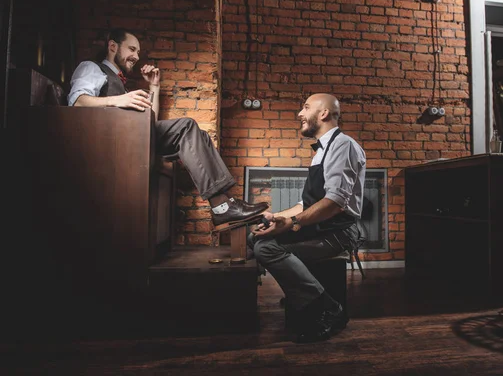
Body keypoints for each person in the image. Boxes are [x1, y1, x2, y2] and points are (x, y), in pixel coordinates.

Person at [67, 28, 267, 230]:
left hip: (132, 136)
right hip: (113, 142)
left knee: (202, 136)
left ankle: (225, 203)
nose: (136, 56)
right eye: (132, 49)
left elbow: (150, 119)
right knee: (187, 126)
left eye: (137, 52)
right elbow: (77, 102)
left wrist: (154, 86)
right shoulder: (90, 68)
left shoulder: (119, 80)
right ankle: (221, 207)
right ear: (112, 46)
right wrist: (120, 99)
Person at [250, 93, 366, 343]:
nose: (300, 114)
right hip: (323, 226)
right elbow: (308, 204)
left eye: (305, 108)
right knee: (256, 236)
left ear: (323, 113)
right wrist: (274, 217)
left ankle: (326, 307)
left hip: (340, 232)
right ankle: (300, 294)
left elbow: (335, 202)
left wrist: (291, 223)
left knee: (266, 248)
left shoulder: (343, 145)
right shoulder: (322, 150)